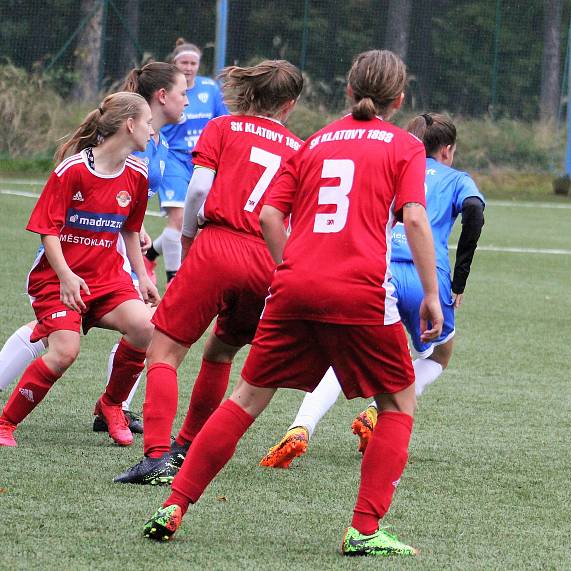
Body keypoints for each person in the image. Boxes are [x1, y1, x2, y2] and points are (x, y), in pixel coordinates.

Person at [142, 50, 443, 557]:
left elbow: (269, 217)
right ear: (400, 98)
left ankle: (175, 503)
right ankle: (364, 530)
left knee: (247, 398)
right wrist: (432, 294)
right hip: (359, 289)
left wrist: (290, 269)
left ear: (348, 92)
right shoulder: (405, 145)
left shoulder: (317, 141)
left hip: (293, 284)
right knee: (397, 402)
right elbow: (413, 218)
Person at [114, 60, 304, 485]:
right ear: (289, 104)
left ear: (249, 92)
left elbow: (199, 189)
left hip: (218, 244)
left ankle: (158, 456)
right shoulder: (299, 148)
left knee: (164, 353)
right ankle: (187, 445)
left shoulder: (222, 128)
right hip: (267, 261)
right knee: (221, 351)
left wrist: (186, 238)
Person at [261, 112, 485, 469]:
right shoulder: (457, 178)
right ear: (447, 150)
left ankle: (301, 425)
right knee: (439, 356)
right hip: (428, 273)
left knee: (342, 352)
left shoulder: (397, 162)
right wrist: (459, 281)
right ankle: (376, 412)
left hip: (382, 270)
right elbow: (474, 210)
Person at [0, 62, 188, 437]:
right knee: (65, 351)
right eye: (146, 122)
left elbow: (131, 231)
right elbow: (46, 230)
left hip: (107, 278)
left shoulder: (136, 173)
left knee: (147, 327)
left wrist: (143, 278)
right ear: (129, 125)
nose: (151, 129)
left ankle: (112, 404)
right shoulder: (73, 170)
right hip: (59, 279)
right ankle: (6, 422)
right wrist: (67, 276)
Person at [144, 39, 228, 284]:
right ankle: (175, 281)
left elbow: (222, 122)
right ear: (174, 63)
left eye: (193, 63)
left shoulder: (210, 89)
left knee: (196, 221)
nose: (189, 67)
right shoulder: (167, 91)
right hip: (173, 160)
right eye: (184, 62)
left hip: (203, 161)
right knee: (179, 220)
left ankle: (150, 254)